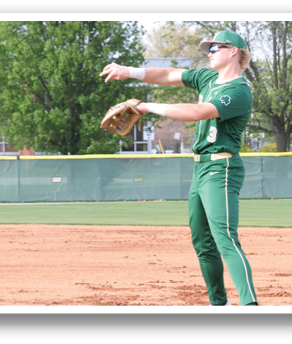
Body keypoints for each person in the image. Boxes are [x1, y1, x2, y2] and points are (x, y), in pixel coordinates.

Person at [100, 30, 257, 306]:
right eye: (208, 49)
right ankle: (219, 304)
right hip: (200, 170)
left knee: (225, 240)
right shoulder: (207, 78)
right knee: (202, 243)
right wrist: (130, 71)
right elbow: (169, 75)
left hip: (221, 168)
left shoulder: (239, 91)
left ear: (233, 51)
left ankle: (250, 305)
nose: (209, 52)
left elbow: (197, 112)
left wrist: (147, 106)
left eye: (214, 48)